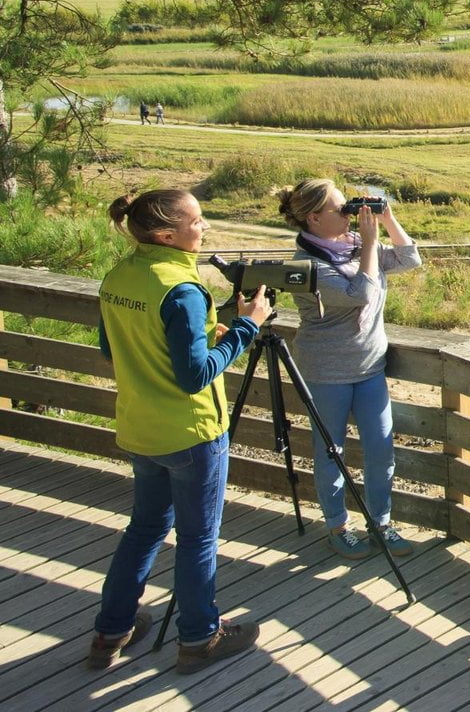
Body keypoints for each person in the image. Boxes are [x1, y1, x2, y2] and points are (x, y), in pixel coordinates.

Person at [88, 189, 270, 674]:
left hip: (140, 426)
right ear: (167, 234)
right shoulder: (182, 290)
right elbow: (194, 376)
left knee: (144, 529)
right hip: (190, 433)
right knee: (197, 538)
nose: (204, 227)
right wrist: (247, 328)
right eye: (198, 220)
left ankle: (111, 630)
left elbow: (114, 349)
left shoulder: (119, 276)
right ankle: (198, 637)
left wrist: (212, 331)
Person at [277, 179, 421, 560]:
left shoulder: (352, 246)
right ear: (313, 218)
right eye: (342, 210)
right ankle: (338, 527)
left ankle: (381, 523)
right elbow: (362, 293)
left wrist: (386, 219)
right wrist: (372, 244)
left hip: (369, 365)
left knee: (381, 450)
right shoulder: (305, 265)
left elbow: (410, 259)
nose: (350, 216)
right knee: (331, 452)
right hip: (327, 371)